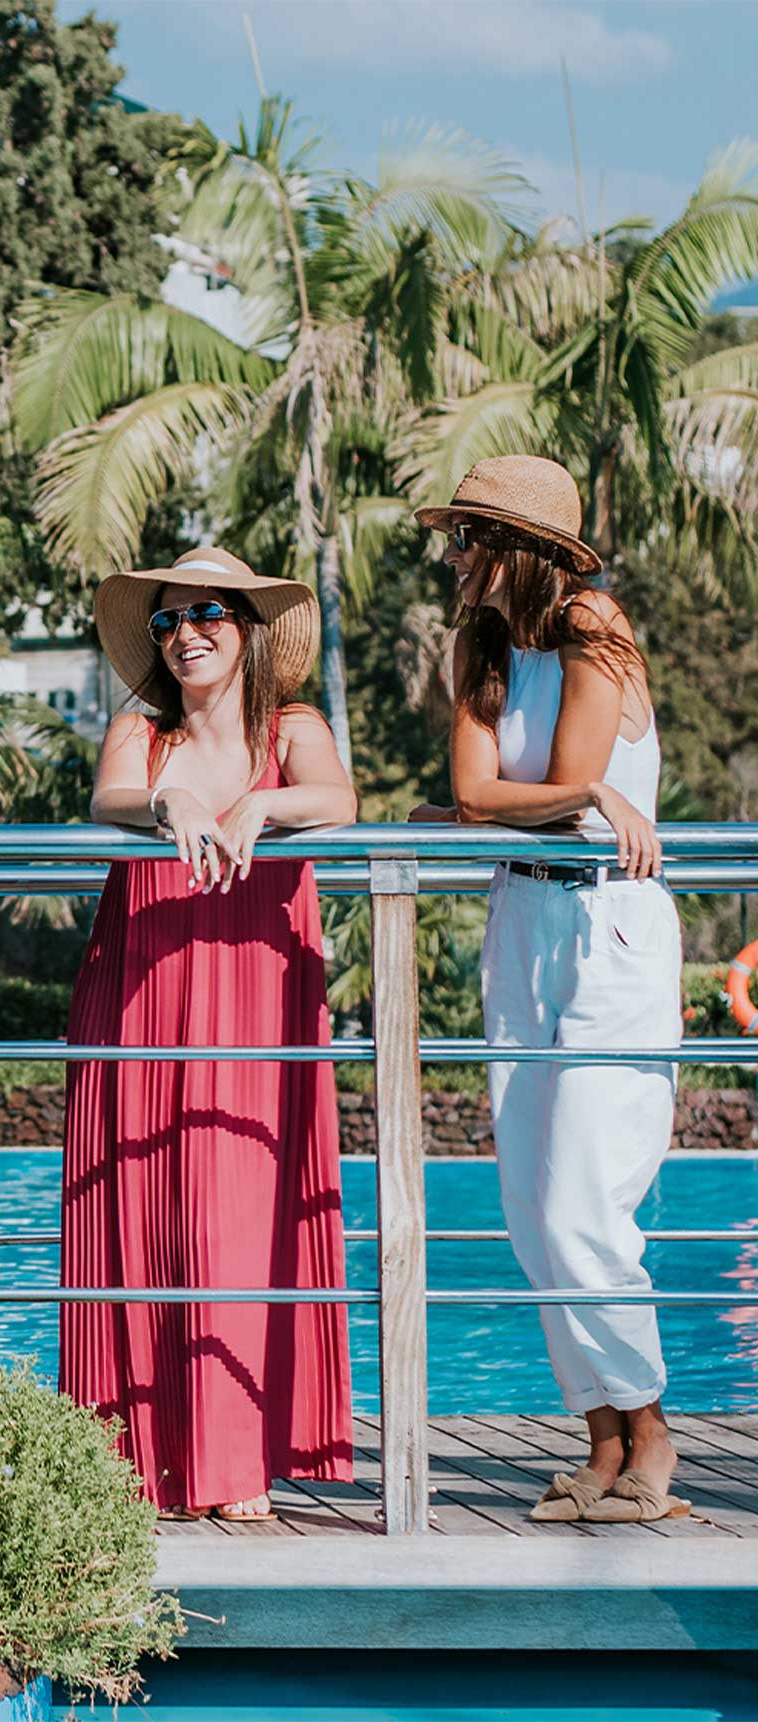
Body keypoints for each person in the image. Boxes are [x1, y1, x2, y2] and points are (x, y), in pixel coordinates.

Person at [412, 455, 687, 1524]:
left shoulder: (591, 624)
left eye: (467, 538)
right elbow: (481, 789)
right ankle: (602, 1442)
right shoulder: (482, 645)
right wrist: (572, 799)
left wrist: (571, 797)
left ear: (519, 550)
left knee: (585, 1201)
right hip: (521, 920)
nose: (453, 557)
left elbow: (550, 781)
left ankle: (651, 1435)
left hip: (608, 925)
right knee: (532, 1207)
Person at [59, 545, 356, 1522]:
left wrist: (260, 802)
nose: (185, 633)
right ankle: (133, 1464)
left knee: (237, 1212)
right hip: (141, 990)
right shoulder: (139, 736)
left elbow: (339, 801)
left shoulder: (293, 729)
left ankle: (234, 1463)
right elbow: (106, 799)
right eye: (167, 620)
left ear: (248, 629)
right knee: (138, 1208)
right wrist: (170, 798)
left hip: (256, 994)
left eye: (208, 614)